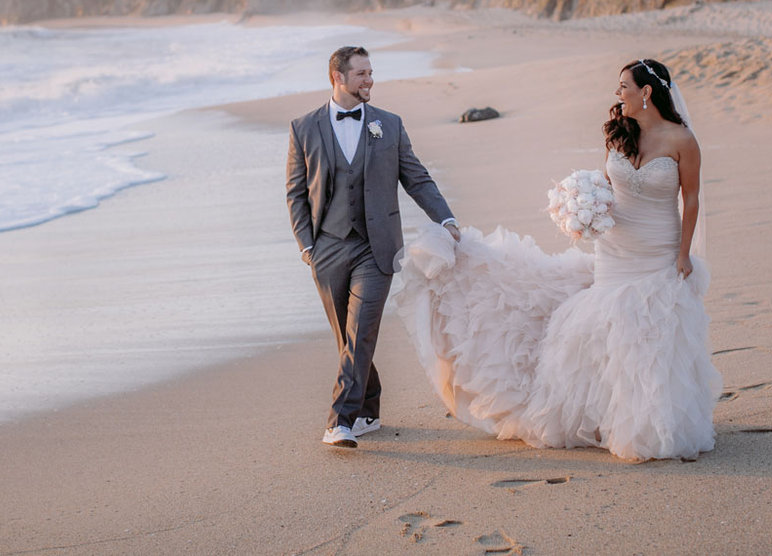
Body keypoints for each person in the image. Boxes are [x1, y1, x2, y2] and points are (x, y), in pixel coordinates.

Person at [393, 59, 721, 462]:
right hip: (615, 250)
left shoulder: (681, 140)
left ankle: (653, 421)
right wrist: (584, 209)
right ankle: (609, 415)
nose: (618, 94)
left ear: (646, 92)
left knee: (651, 332)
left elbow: (691, 200)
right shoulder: (620, 134)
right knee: (610, 329)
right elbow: (609, 187)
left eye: (623, 87)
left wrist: (684, 252)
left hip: (657, 248)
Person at [286, 46, 461, 449]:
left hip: (376, 247)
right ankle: (367, 408)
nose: (369, 81)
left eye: (370, 73)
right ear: (338, 77)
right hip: (326, 247)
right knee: (347, 338)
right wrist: (306, 246)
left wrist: (446, 218)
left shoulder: (390, 125)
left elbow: (416, 178)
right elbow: (295, 192)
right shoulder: (303, 128)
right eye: (361, 74)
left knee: (361, 330)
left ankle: (340, 421)